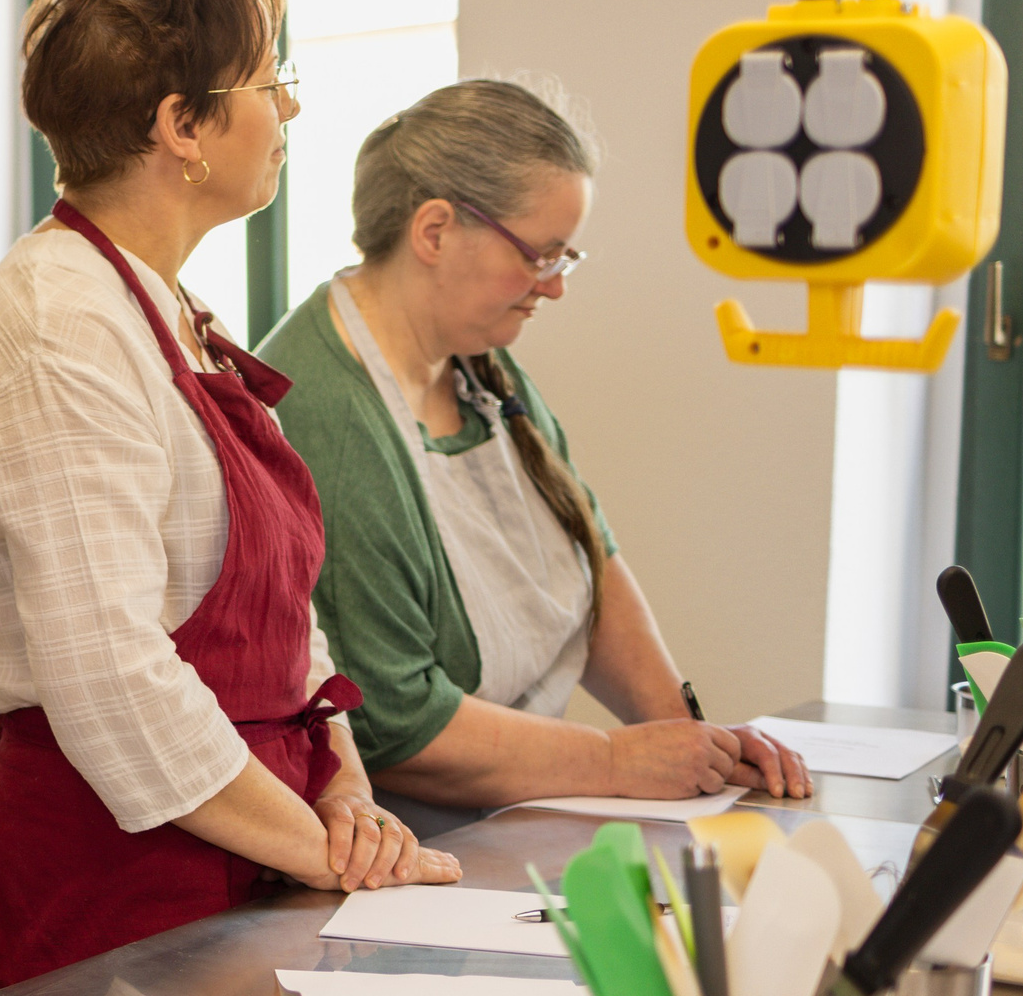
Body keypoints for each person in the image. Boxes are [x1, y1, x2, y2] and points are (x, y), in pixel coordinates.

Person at [0, 0, 459, 996]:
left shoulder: (172, 314)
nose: (290, 109)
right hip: (121, 879)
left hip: (255, 844)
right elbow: (111, 676)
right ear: (181, 126)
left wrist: (345, 796)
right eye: (271, 81)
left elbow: (288, 627)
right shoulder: (58, 327)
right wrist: (322, 853)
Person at [256, 79, 810, 834]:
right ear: (435, 231)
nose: (553, 287)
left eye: (565, 257)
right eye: (540, 254)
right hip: (404, 846)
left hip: (506, 819)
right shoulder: (328, 414)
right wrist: (617, 761)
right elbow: (392, 722)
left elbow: (589, 555)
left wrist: (689, 735)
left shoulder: (477, 362)